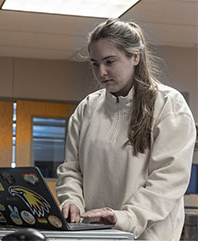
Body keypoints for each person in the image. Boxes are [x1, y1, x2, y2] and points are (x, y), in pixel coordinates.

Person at [55, 18, 196, 240]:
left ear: (135, 57)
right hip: (93, 234)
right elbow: (71, 169)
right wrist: (71, 200)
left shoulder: (169, 105)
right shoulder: (87, 108)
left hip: (147, 236)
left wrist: (126, 217)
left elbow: (168, 180)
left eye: (110, 61)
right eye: (94, 63)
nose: (101, 72)